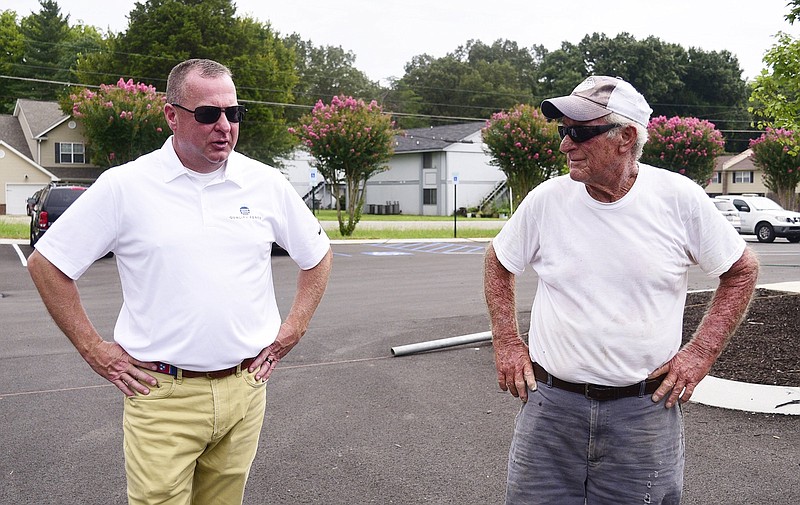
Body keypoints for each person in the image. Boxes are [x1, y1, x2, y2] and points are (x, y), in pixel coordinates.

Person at [27, 58, 333, 505]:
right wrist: (96, 352)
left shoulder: (264, 183)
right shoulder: (126, 186)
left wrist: (294, 327)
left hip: (245, 389)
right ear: (172, 115)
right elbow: (47, 264)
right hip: (162, 397)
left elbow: (318, 255)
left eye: (234, 113)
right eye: (208, 114)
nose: (224, 125)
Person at [483, 75, 759, 505]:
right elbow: (498, 262)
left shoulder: (677, 199)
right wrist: (507, 342)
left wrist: (699, 354)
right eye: (563, 132)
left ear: (626, 137)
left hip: (642, 415)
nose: (565, 145)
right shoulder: (546, 201)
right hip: (551, 408)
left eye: (579, 132)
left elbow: (740, 271)